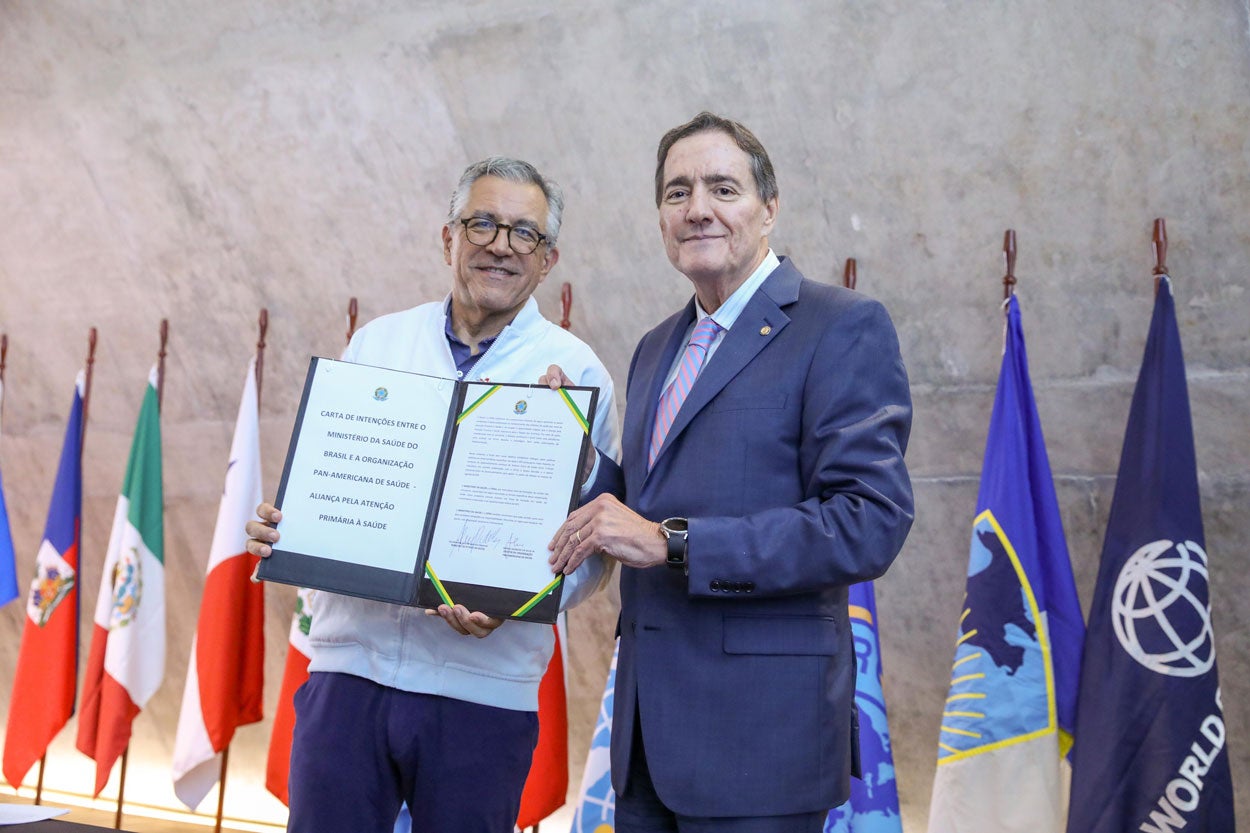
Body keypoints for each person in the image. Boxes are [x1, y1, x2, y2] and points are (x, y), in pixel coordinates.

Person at [545, 113, 914, 833]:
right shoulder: (658, 346)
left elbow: (868, 521)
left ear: (769, 208)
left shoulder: (841, 326)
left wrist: (677, 544)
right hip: (647, 743)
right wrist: (577, 454)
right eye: (677, 191)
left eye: (723, 187)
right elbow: (642, 507)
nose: (698, 208)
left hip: (762, 744)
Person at [246, 157, 621, 833]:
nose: (500, 243)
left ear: (548, 258)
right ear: (448, 238)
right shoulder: (378, 342)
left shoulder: (578, 373)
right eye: (481, 222)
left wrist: (519, 602)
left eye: (523, 233)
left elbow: (597, 556)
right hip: (346, 676)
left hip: (481, 695)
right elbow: (336, 485)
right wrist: (289, 526)